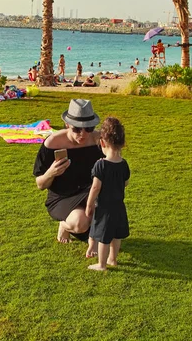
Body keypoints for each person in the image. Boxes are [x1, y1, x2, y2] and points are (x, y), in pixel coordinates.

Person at [33, 99, 104, 245]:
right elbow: (40, 184)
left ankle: (92, 237)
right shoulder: (53, 143)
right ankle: (64, 226)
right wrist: (51, 173)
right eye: (77, 129)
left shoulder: (98, 141)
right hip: (62, 196)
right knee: (79, 223)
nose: (83, 134)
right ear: (67, 125)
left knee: (106, 207)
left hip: (90, 192)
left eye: (89, 128)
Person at [85, 117, 130, 271]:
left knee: (104, 237)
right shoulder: (123, 164)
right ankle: (113, 259)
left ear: (102, 143)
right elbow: (126, 183)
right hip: (119, 206)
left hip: (104, 208)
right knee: (116, 236)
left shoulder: (101, 164)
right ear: (122, 143)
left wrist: (89, 204)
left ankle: (101, 264)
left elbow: (95, 187)